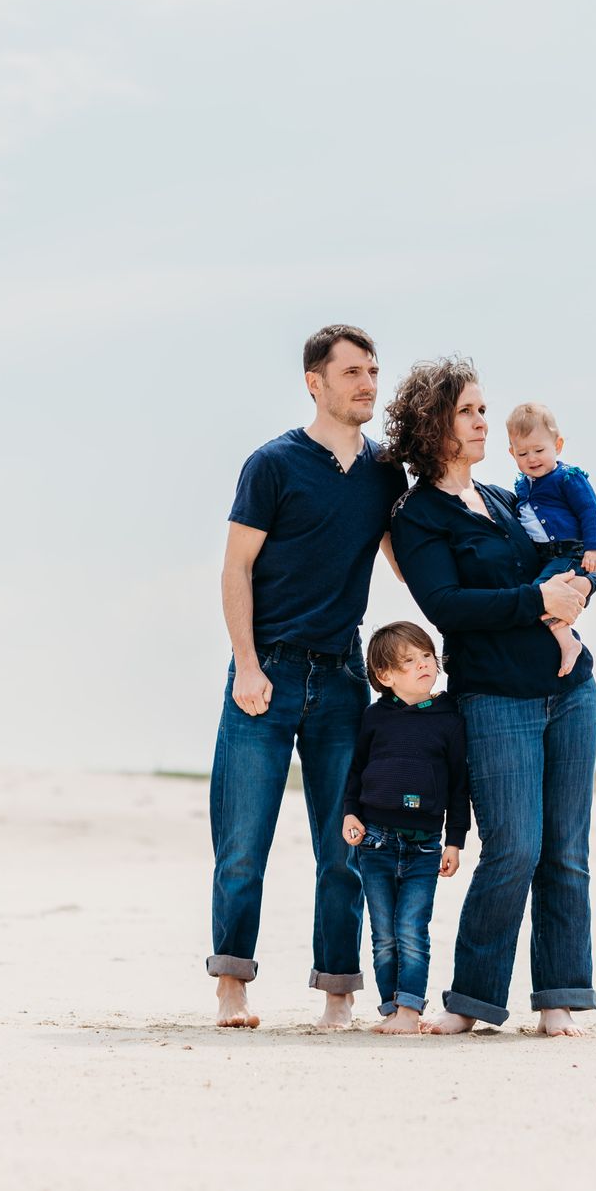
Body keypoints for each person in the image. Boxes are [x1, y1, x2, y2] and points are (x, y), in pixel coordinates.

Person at [383, 357, 596, 1038]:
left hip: (570, 691)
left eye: (484, 410)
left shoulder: (511, 498)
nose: (485, 421)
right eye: (470, 411)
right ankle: (472, 999)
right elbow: (448, 604)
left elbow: (565, 560)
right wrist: (536, 597)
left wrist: (581, 585)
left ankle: (558, 995)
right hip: (495, 699)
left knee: (566, 850)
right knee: (513, 848)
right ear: (435, 424)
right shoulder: (418, 516)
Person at [205, 324, 406, 1030]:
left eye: (373, 370)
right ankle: (233, 984)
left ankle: (337, 994)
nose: (367, 383)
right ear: (314, 382)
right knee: (242, 843)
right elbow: (236, 568)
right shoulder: (273, 464)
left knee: (343, 846)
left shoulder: (387, 474)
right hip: (269, 670)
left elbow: (404, 559)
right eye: (352, 371)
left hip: (343, 675)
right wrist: (248, 665)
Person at [339, 621, 470, 1036]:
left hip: (425, 846)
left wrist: (455, 841)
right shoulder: (374, 718)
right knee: (383, 934)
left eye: (427, 656)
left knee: (412, 928)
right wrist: (350, 813)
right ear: (385, 676)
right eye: (409, 661)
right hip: (375, 840)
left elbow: (458, 785)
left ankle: (410, 1010)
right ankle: (392, 1008)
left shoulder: (449, 718)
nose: (423, 665)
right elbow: (356, 771)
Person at [505, 402, 596, 676]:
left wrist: (595, 548)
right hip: (545, 556)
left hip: (569, 553)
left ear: (557, 445)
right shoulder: (522, 486)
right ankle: (565, 636)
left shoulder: (567, 478)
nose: (532, 458)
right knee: (540, 593)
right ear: (512, 453)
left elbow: (590, 511)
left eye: (539, 450)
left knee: (540, 594)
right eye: (523, 453)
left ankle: (568, 642)